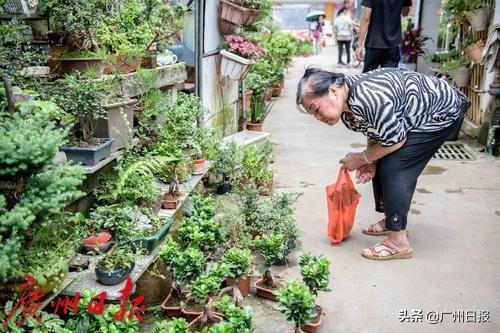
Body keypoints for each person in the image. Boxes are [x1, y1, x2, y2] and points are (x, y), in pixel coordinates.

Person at [295, 67, 470, 260]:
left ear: (333, 91)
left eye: (316, 109)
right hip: (415, 116)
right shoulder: (348, 110)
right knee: (380, 160)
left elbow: (395, 140)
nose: (317, 118)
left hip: (442, 112)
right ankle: (391, 221)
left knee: (394, 167)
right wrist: (370, 160)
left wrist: (362, 158)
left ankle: (398, 241)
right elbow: (375, 131)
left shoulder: (366, 98)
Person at [355, 0, 412, 73]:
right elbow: (405, 13)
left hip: (374, 43)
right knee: (388, 79)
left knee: (368, 78)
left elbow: (366, 18)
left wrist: (359, 45)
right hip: (393, 44)